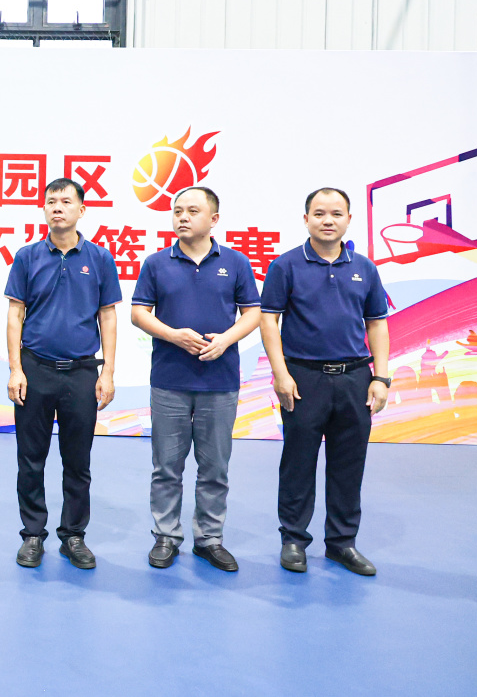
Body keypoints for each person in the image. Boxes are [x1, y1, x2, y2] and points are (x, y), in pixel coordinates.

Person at [260, 187, 390, 576]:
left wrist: (381, 377)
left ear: (349, 219)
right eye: (319, 214)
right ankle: (294, 540)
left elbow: (377, 324)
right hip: (303, 378)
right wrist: (281, 373)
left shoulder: (364, 268)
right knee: (298, 462)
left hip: (355, 378)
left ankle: (342, 543)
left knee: (349, 464)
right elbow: (269, 320)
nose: (327, 220)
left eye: (336, 213)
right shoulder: (285, 266)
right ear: (306, 220)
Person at [130, 186, 260, 572]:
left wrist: (226, 340)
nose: (182, 217)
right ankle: (166, 536)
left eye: (192, 211)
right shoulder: (157, 263)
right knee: (166, 466)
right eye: (177, 211)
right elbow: (139, 313)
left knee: (215, 466)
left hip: (220, 381)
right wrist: (173, 335)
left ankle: (209, 539)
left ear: (214, 219)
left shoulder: (235, 262)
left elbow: (253, 312)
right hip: (169, 380)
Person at [4, 178, 119, 570]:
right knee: (30, 459)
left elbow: (108, 316)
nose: (57, 207)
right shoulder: (27, 256)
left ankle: (73, 535)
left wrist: (108, 372)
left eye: (66, 201)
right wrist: (16, 369)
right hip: (35, 369)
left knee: (78, 461)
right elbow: (15, 314)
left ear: (81, 210)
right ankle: (33, 535)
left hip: (82, 372)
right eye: (51, 201)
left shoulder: (100, 258)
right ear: (44, 209)